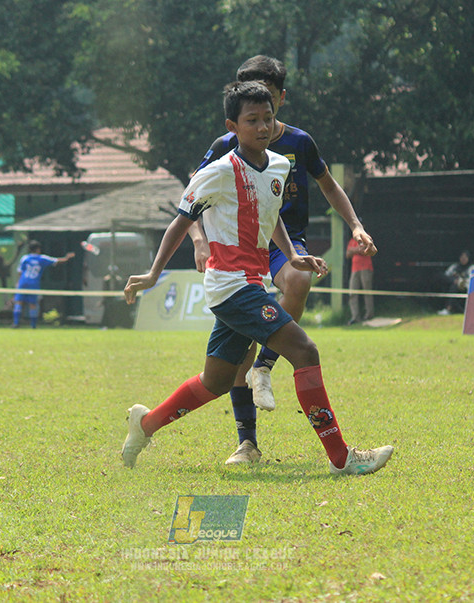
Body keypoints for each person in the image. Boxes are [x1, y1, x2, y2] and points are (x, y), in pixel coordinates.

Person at [121, 80, 393, 476]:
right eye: (252, 120)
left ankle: (144, 425)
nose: (263, 126)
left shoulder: (280, 165)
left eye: (268, 118)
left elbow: (272, 215)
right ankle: (342, 457)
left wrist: (295, 257)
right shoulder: (217, 172)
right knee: (305, 351)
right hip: (230, 286)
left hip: (251, 283)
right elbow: (182, 221)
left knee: (216, 381)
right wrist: (153, 273)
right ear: (232, 126)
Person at [189, 55, 376, 465]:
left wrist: (356, 225)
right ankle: (247, 443)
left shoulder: (299, 143)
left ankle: (266, 365)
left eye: (268, 107)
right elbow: (191, 201)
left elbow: (329, 186)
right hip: (239, 253)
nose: (263, 124)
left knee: (298, 281)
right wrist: (199, 241)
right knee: (231, 362)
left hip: (282, 242)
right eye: (252, 113)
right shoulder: (227, 148)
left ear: (281, 101)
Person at [12, 241, 74, 328]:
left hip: (23, 282)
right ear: (38, 249)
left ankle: (16, 323)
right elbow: (56, 261)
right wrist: (66, 258)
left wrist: (18, 283)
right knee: (32, 304)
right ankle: (33, 325)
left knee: (18, 302)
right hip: (33, 283)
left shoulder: (25, 258)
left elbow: (20, 271)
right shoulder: (41, 258)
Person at [346, 235, 374, 325]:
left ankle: (369, 315)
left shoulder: (367, 238)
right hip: (355, 269)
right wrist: (357, 249)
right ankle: (355, 317)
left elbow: (365, 251)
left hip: (366, 267)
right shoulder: (352, 240)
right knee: (352, 293)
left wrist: (353, 250)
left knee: (367, 292)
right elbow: (347, 254)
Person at [439, 250, 474, 315]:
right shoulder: (454, 266)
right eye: (462, 257)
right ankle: (447, 308)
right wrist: (453, 280)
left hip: (467, 287)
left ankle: (449, 308)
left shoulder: (472, 267)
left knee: (454, 286)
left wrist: (460, 281)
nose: (463, 259)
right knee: (451, 284)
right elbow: (446, 275)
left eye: (465, 257)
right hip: (454, 285)